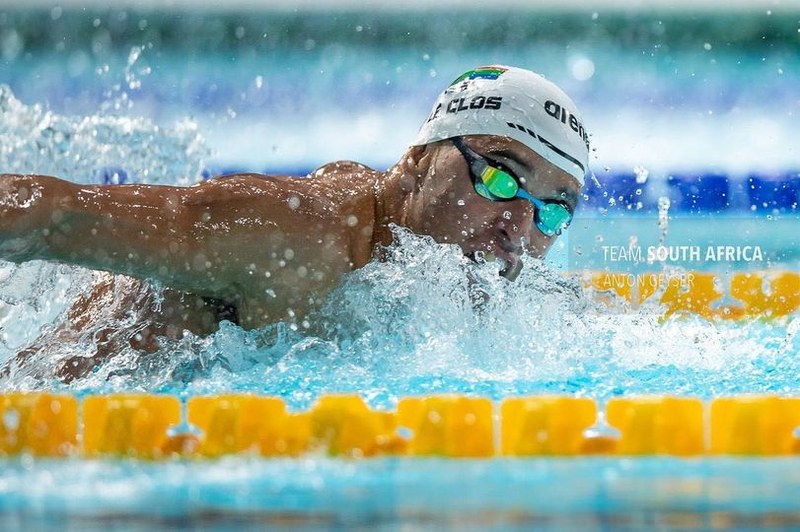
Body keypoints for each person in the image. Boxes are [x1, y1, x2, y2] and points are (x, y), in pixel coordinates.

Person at [0, 65, 589, 381]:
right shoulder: (294, 237)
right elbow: (53, 214)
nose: (519, 228)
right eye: (501, 178)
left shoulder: (483, 282)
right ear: (416, 164)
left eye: (553, 209)